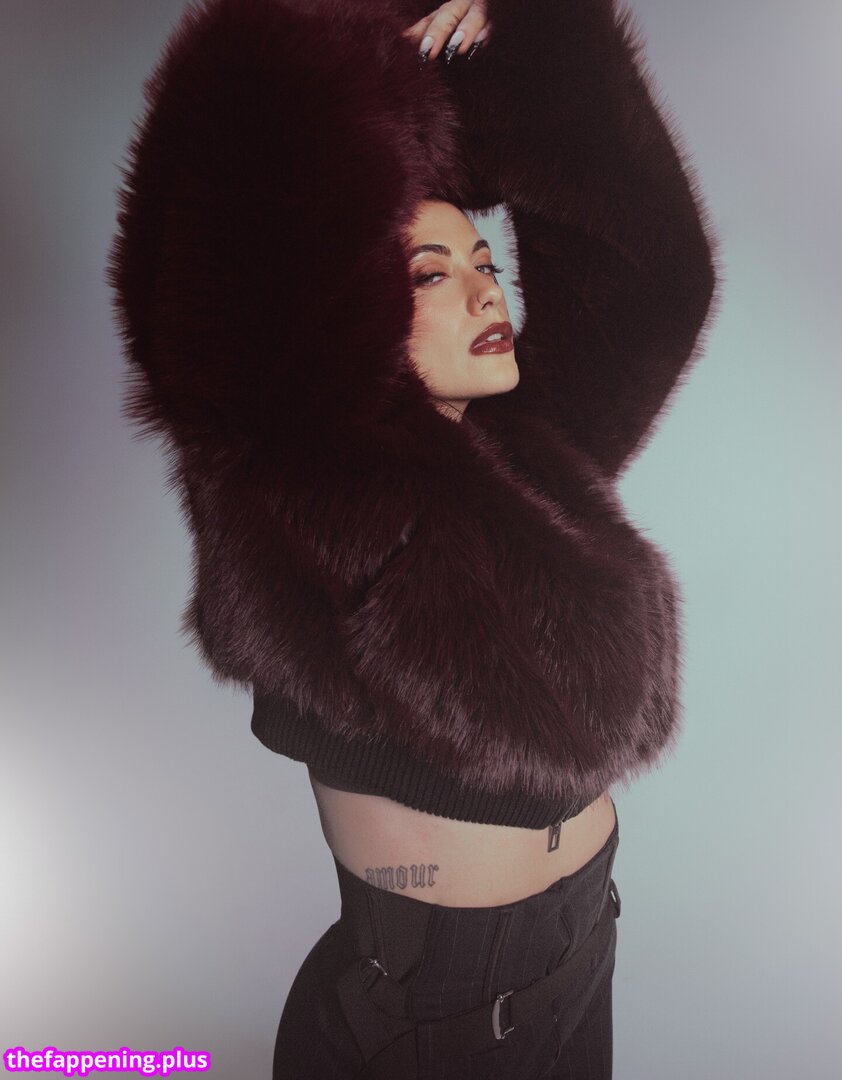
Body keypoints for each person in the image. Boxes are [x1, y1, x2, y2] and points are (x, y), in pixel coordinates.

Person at [107, 0, 721, 1076]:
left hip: (582, 956)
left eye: (485, 261)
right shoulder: (291, 467)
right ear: (337, 296)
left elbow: (649, 278)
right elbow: (232, 250)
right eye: (431, 273)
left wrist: (527, 36)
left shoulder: (519, 453)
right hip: (439, 1022)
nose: (485, 289)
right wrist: (345, 42)